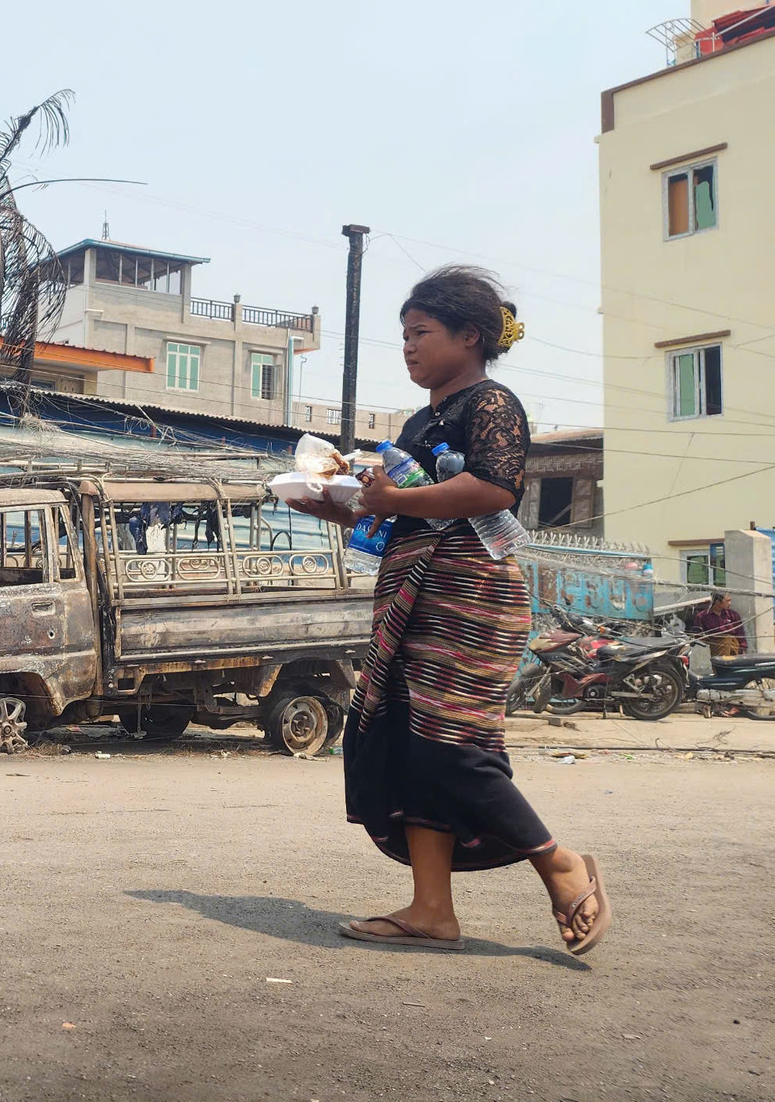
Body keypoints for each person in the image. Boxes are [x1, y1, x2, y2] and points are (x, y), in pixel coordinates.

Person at [284, 267, 611, 955]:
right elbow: (400, 519)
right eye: (403, 335)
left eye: (421, 333)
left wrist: (395, 501)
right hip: (411, 588)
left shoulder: (492, 403)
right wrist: (341, 508)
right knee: (409, 739)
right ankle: (432, 910)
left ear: (471, 335)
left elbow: (493, 489)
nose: (408, 347)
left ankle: (561, 863)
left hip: (471, 592)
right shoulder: (419, 421)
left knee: (451, 744)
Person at [692, 593, 745, 658]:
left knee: (728, 640)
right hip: (714, 648)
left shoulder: (733, 615)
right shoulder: (702, 616)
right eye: (727, 601)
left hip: (733, 648)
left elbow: (740, 633)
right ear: (717, 602)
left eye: (730, 600)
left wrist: (743, 648)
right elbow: (698, 636)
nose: (730, 603)